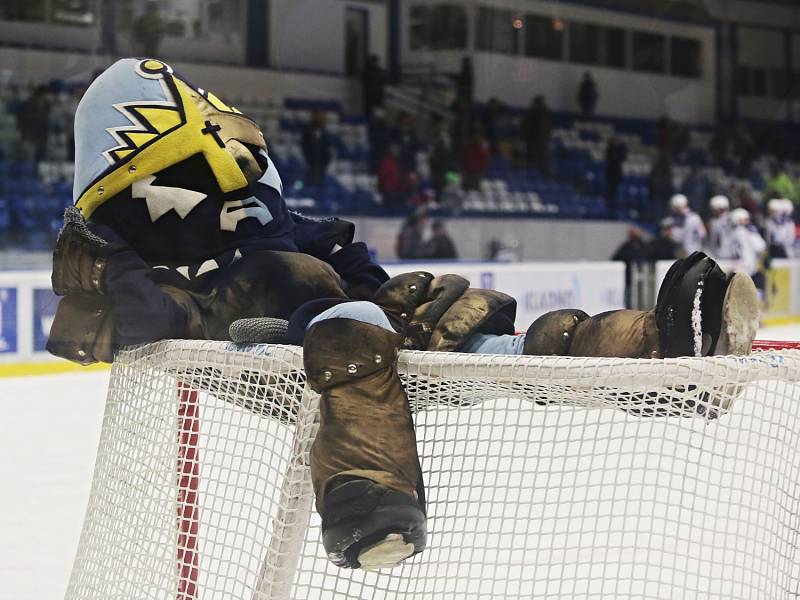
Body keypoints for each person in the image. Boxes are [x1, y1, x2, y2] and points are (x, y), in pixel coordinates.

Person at [48, 58, 762, 574]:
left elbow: (330, 250)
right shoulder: (133, 255)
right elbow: (107, 319)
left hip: (341, 336)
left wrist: (393, 304)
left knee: (495, 346)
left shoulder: (269, 216)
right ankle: (368, 498)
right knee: (351, 316)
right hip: (259, 346)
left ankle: (667, 353)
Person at [729, 208, 767, 294]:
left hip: (736, 267)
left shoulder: (733, 232)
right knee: (755, 293)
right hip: (749, 267)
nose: (748, 221)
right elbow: (761, 246)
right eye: (745, 219)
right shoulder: (748, 231)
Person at [611, 227, 648, 308]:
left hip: (643, 277)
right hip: (629, 277)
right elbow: (615, 258)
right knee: (630, 295)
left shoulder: (643, 246)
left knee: (642, 294)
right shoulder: (626, 247)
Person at [301, 111, 332, 187]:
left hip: (321, 164)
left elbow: (326, 148)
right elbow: (304, 146)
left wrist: (325, 161)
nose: (320, 118)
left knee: (321, 184)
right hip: (309, 163)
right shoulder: (307, 129)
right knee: (309, 183)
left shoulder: (325, 131)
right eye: (318, 116)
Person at [522, 95, 552, 175]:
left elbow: (548, 126)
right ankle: (533, 173)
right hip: (533, 140)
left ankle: (544, 173)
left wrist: (547, 134)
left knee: (543, 158)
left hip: (542, 139)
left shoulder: (546, 113)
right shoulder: (530, 113)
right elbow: (526, 127)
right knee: (533, 158)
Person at [706, 195, 736, 260]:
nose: (713, 211)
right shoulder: (714, 221)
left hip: (729, 254)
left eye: (714, 209)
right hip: (717, 254)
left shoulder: (732, 218)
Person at [604, 136, 627, 213]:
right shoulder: (610, 149)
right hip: (610, 172)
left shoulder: (620, 150)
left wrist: (622, 145)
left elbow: (624, 156)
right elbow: (608, 157)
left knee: (616, 190)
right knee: (610, 190)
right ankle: (609, 205)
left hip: (617, 172)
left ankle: (614, 206)